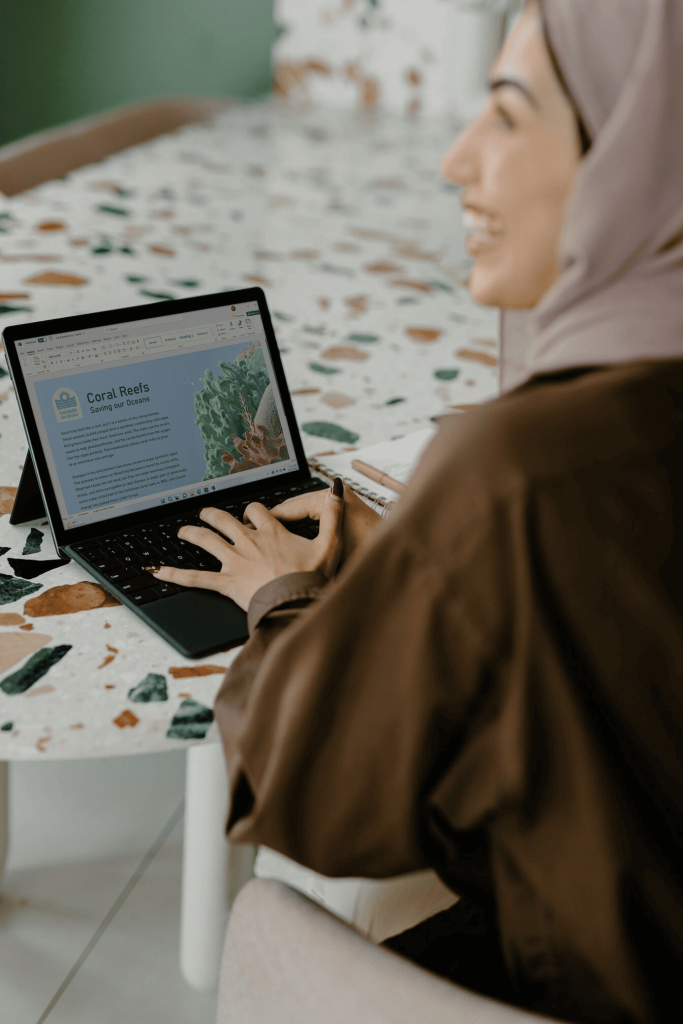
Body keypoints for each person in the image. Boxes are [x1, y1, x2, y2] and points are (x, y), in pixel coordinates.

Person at [149, 1, 683, 1020]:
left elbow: (313, 798)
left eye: (507, 114)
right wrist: (432, 567)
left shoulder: (509, 471)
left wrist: (289, 598)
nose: (455, 160)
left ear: (631, 154)